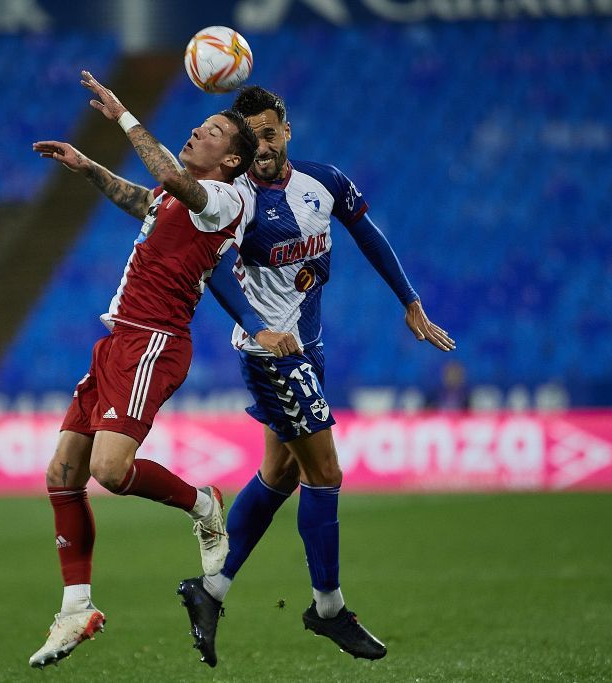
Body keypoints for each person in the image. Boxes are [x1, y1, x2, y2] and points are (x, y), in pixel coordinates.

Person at [27, 72, 299, 669]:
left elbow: (169, 178)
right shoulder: (178, 195)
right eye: (200, 125)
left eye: (212, 131)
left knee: (108, 469)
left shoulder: (228, 199)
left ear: (231, 159)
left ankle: (202, 503)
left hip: (155, 342)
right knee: (63, 472)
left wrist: (124, 115)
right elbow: (143, 198)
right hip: (119, 340)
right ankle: (76, 608)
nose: (197, 130)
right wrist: (89, 167)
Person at [176, 85, 456, 667]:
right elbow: (217, 271)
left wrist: (409, 300)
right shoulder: (239, 200)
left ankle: (211, 588)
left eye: (270, 133)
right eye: (251, 138)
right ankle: (327, 607)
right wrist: (257, 327)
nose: (262, 145)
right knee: (324, 472)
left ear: (286, 131)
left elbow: (369, 236)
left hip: (310, 351)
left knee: (278, 475)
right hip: (275, 357)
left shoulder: (321, 182)